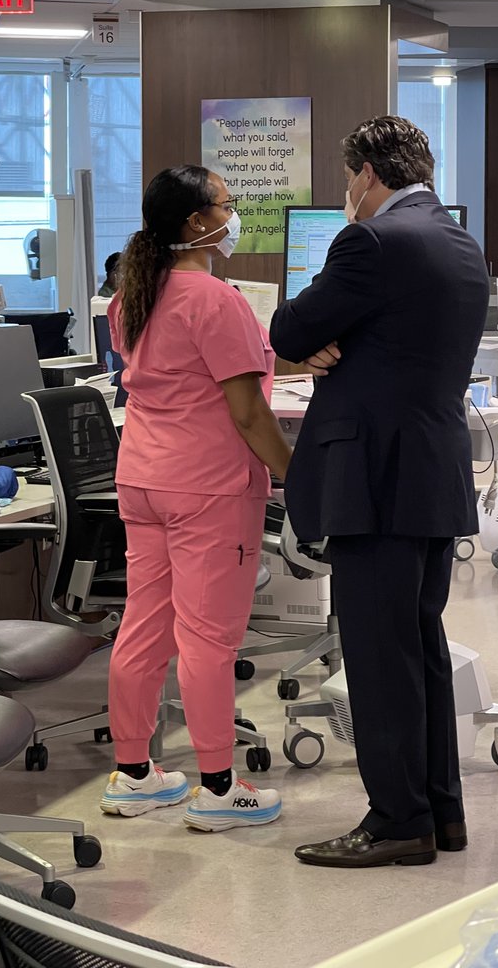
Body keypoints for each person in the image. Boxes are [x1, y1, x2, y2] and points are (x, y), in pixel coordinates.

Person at [270, 116, 490, 869]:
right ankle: (438, 812)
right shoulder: (461, 243)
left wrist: (319, 341)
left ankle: (397, 823)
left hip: (376, 482)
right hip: (431, 474)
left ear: (366, 173)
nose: (348, 196)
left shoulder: (370, 240)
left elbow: (291, 329)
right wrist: (340, 345)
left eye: (350, 182)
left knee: (376, 655)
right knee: (418, 647)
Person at [100, 165, 291, 832]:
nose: (232, 216)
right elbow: (248, 413)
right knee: (208, 636)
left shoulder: (131, 296)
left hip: (143, 478)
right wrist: (294, 473)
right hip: (208, 486)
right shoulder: (215, 300)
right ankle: (217, 786)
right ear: (194, 223)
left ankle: (134, 773)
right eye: (226, 205)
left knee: (145, 623)